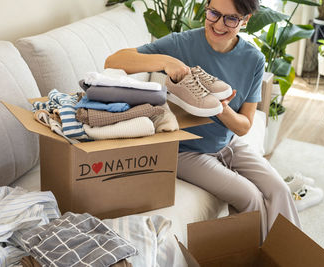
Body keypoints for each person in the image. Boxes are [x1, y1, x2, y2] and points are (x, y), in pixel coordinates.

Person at [105, 0, 301, 240]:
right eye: (214, 13)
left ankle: (286, 254)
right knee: (250, 196)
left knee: (280, 189)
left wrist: (216, 106)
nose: (218, 24)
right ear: (205, 8)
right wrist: (168, 62)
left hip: (229, 144)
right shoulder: (181, 44)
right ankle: (249, 258)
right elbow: (114, 61)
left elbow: (244, 126)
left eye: (230, 19)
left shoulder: (254, 60)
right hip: (185, 150)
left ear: (245, 20)